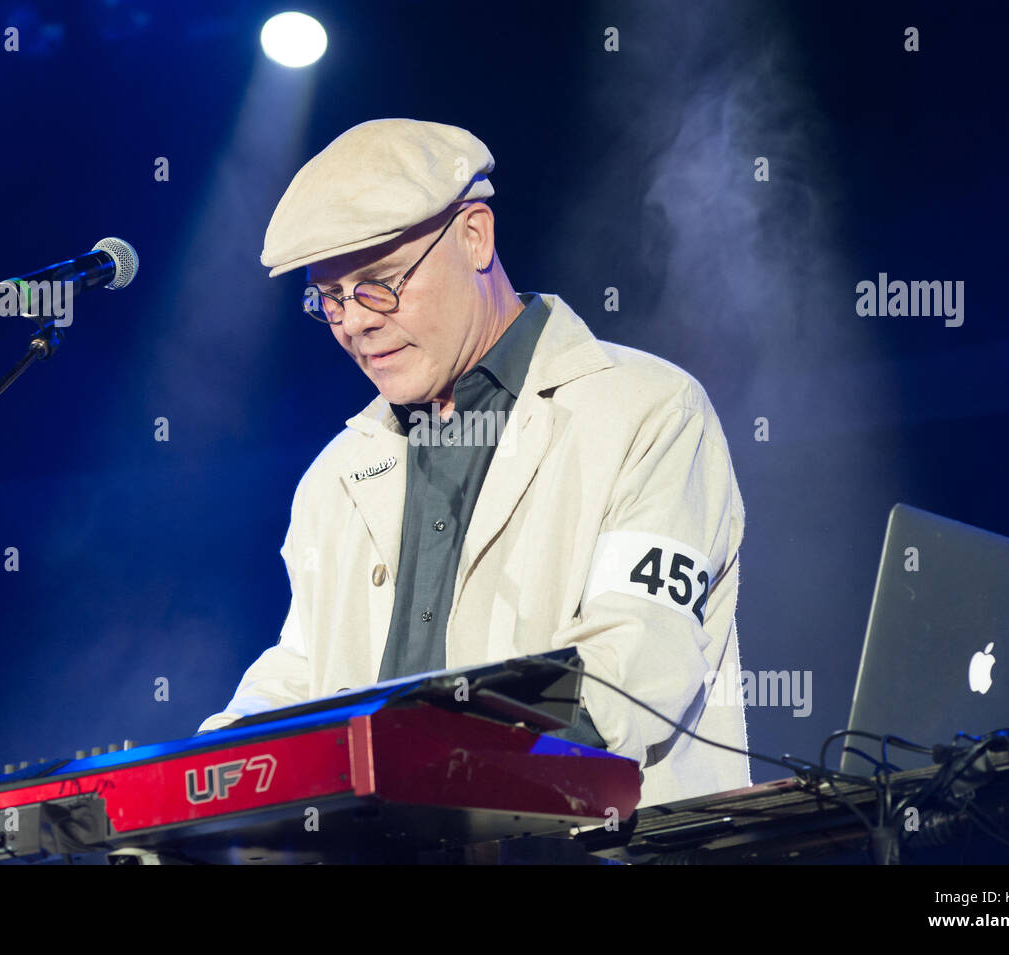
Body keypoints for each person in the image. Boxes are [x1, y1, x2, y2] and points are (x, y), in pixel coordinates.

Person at [198, 118, 750, 806]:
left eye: (378, 284)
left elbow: (634, 664)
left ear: (474, 236)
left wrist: (438, 758)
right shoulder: (334, 476)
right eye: (329, 298)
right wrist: (205, 767)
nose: (354, 321)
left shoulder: (650, 409)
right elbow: (303, 674)